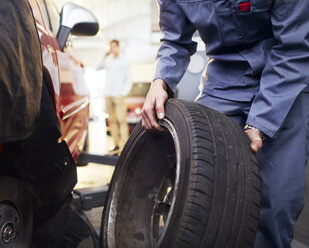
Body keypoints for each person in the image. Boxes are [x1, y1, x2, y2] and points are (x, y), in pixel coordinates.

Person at [142, 1, 309, 247]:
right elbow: (174, 40)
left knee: (277, 200)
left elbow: (294, 48)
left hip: (286, 78)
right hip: (223, 80)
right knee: (197, 189)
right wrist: (160, 81)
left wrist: (261, 121)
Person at [97, 40, 132, 153]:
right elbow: (97, 68)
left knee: (122, 120)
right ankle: (116, 144)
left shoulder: (125, 61)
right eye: (110, 47)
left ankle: (125, 146)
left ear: (118, 47)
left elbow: (128, 79)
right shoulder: (108, 61)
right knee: (111, 121)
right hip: (108, 94)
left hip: (118, 95)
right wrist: (104, 56)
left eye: (114, 47)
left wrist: (123, 93)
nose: (112, 49)